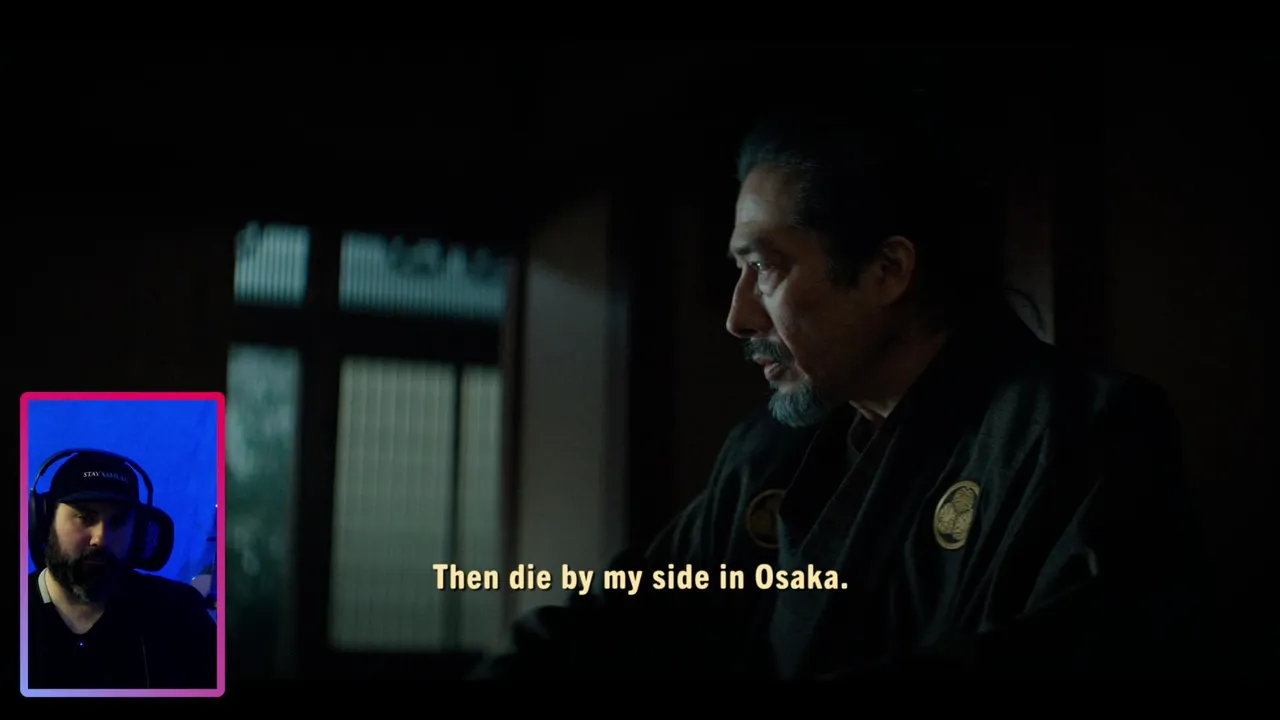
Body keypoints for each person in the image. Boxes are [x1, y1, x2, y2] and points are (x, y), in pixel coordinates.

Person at [475, 105, 1209, 678]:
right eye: (738, 270)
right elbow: (628, 616)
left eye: (766, 268)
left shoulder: (1080, 432)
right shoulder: (769, 453)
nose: (737, 316)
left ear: (888, 270)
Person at [27, 451, 217, 689]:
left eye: (118, 522)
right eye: (85, 517)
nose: (101, 538)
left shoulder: (181, 611)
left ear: (138, 532)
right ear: (45, 522)